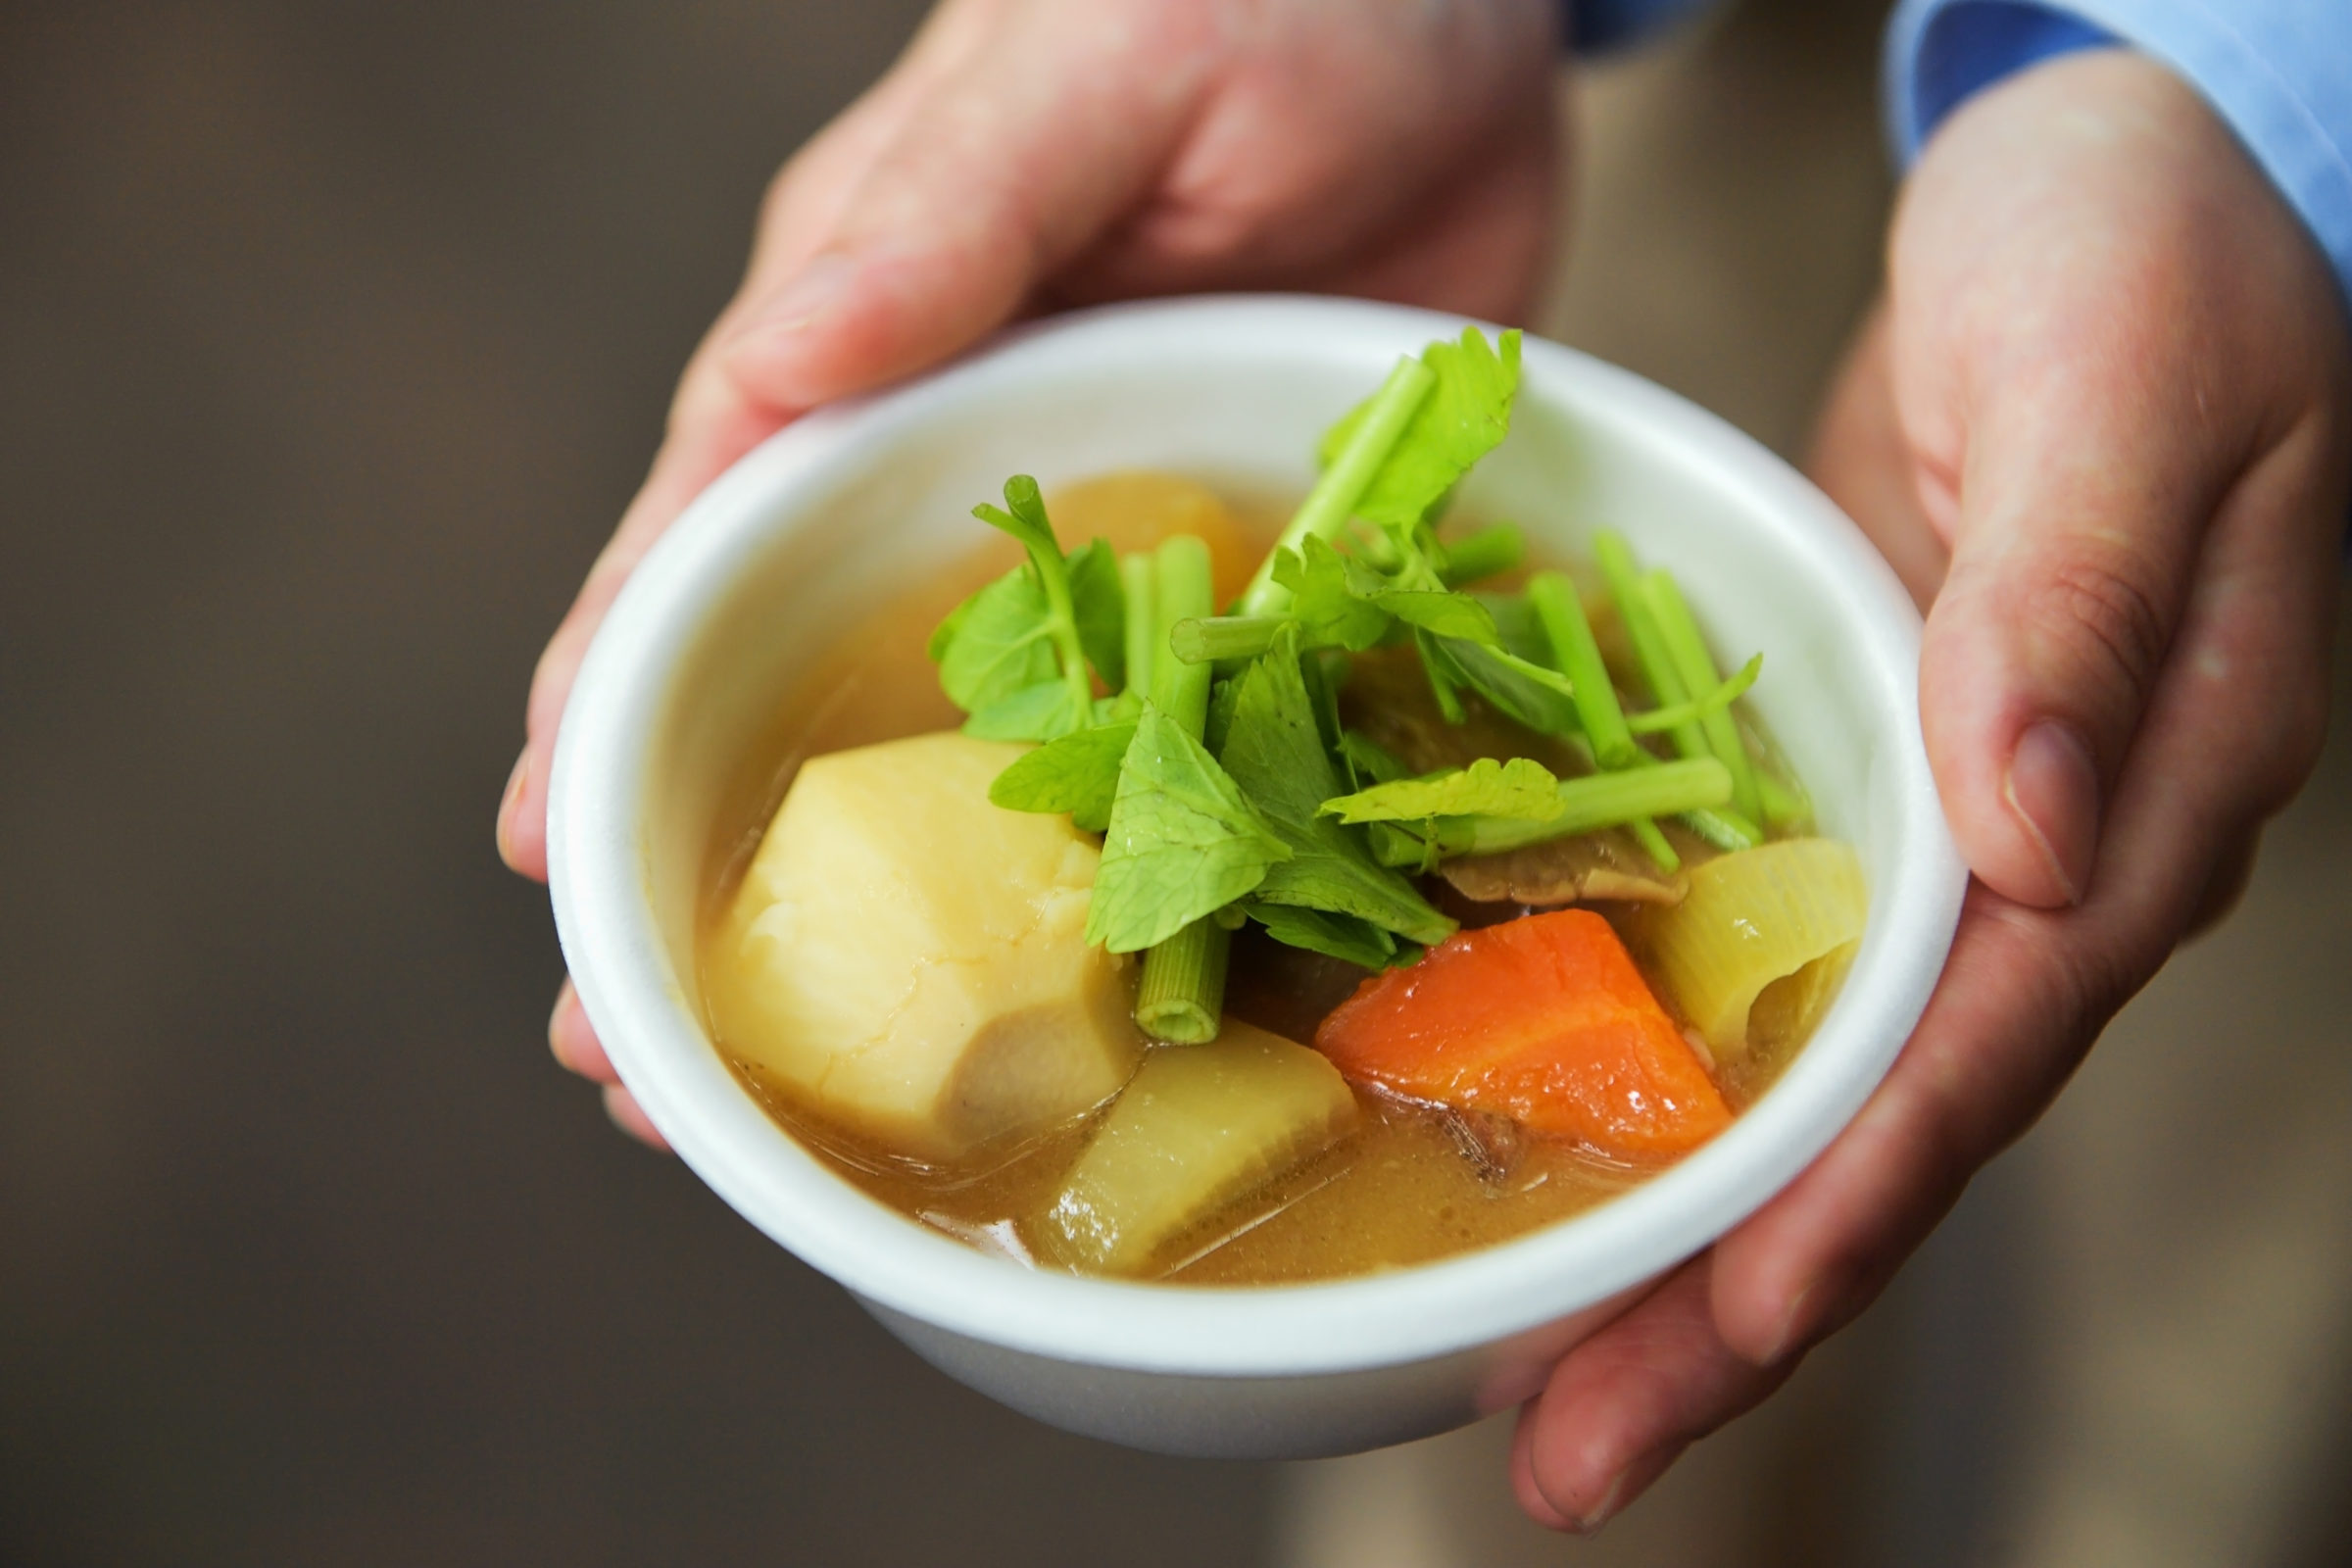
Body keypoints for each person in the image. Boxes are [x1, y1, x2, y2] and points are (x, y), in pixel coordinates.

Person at [494, 0, 2352, 1534]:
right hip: (1641, 74)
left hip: (2217, 223)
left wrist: (2250, 101)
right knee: (1516, 1458)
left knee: (2245, 1191)